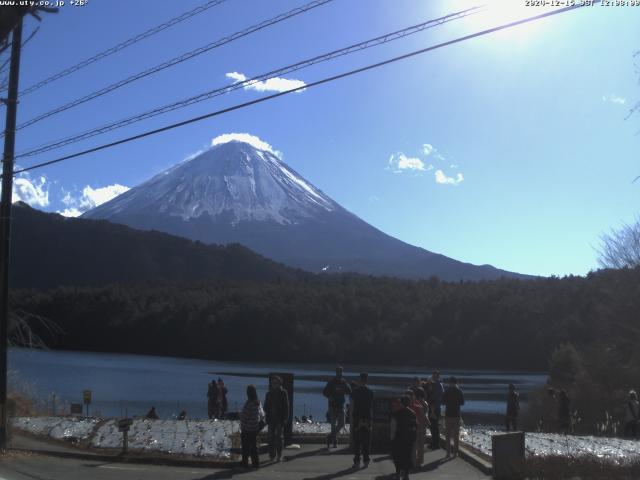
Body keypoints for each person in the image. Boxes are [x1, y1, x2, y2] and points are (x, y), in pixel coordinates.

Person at [323, 366, 352, 448]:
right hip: (332, 406)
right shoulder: (331, 382)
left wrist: (348, 386)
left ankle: (330, 437)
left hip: (340, 406)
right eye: (339, 372)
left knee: (342, 423)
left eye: (341, 372)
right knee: (333, 425)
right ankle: (334, 441)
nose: (340, 373)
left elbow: (349, 391)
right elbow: (324, 392)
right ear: (336, 372)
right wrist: (329, 397)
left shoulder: (343, 382)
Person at [391, 395, 417, 480]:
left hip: (398, 437)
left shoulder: (396, 413)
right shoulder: (412, 413)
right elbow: (415, 427)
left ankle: (398, 473)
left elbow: (393, 427)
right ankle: (406, 474)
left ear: (401, 403)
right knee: (407, 456)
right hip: (409, 438)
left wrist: (392, 438)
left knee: (397, 456)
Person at [351, 372, 374, 469]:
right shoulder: (370, 392)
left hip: (357, 417)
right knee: (366, 441)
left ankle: (357, 461)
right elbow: (371, 406)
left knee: (357, 441)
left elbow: (352, 405)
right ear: (367, 380)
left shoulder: (355, 391)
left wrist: (351, 417)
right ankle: (366, 461)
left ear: (360, 379)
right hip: (367, 417)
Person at [264, 375, 289, 462]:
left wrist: (285, 418)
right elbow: (265, 406)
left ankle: (279, 454)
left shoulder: (283, 392)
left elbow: (286, 407)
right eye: (273, 383)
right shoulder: (269, 393)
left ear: (279, 383)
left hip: (280, 418)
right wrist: (266, 416)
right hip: (271, 418)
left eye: (276, 383)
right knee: (270, 437)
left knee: (279, 437)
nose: (274, 384)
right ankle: (272, 455)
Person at [239, 384, 265, 469]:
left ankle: (244, 464)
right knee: (254, 446)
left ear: (248, 393)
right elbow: (262, 414)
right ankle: (256, 464)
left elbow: (245, 417)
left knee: (245, 447)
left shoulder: (249, 403)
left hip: (247, 428)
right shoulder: (258, 402)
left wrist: (239, 414)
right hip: (255, 428)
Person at [441, 376, 464, 458]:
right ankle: (455, 453)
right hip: (457, 414)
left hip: (448, 414)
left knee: (448, 434)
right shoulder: (459, 391)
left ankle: (448, 453)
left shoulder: (447, 391)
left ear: (450, 383)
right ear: (456, 383)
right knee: (456, 435)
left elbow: (443, 402)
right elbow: (462, 402)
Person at [412, 388, 430, 466]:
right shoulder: (425, 403)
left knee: (414, 444)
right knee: (421, 444)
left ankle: (414, 460)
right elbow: (425, 414)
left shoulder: (414, 403)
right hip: (423, 425)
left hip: (415, 425)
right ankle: (420, 461)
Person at [428, 371, 444, 449]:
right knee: (433, 426)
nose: (432, 377)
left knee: (434, 426)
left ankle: (436, 444)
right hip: (436, 407)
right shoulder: (438, 384)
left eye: (434, 376)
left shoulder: (437, 385)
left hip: (435, 407)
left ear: (436, 376)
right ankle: (434, 442)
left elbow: (433, 397)